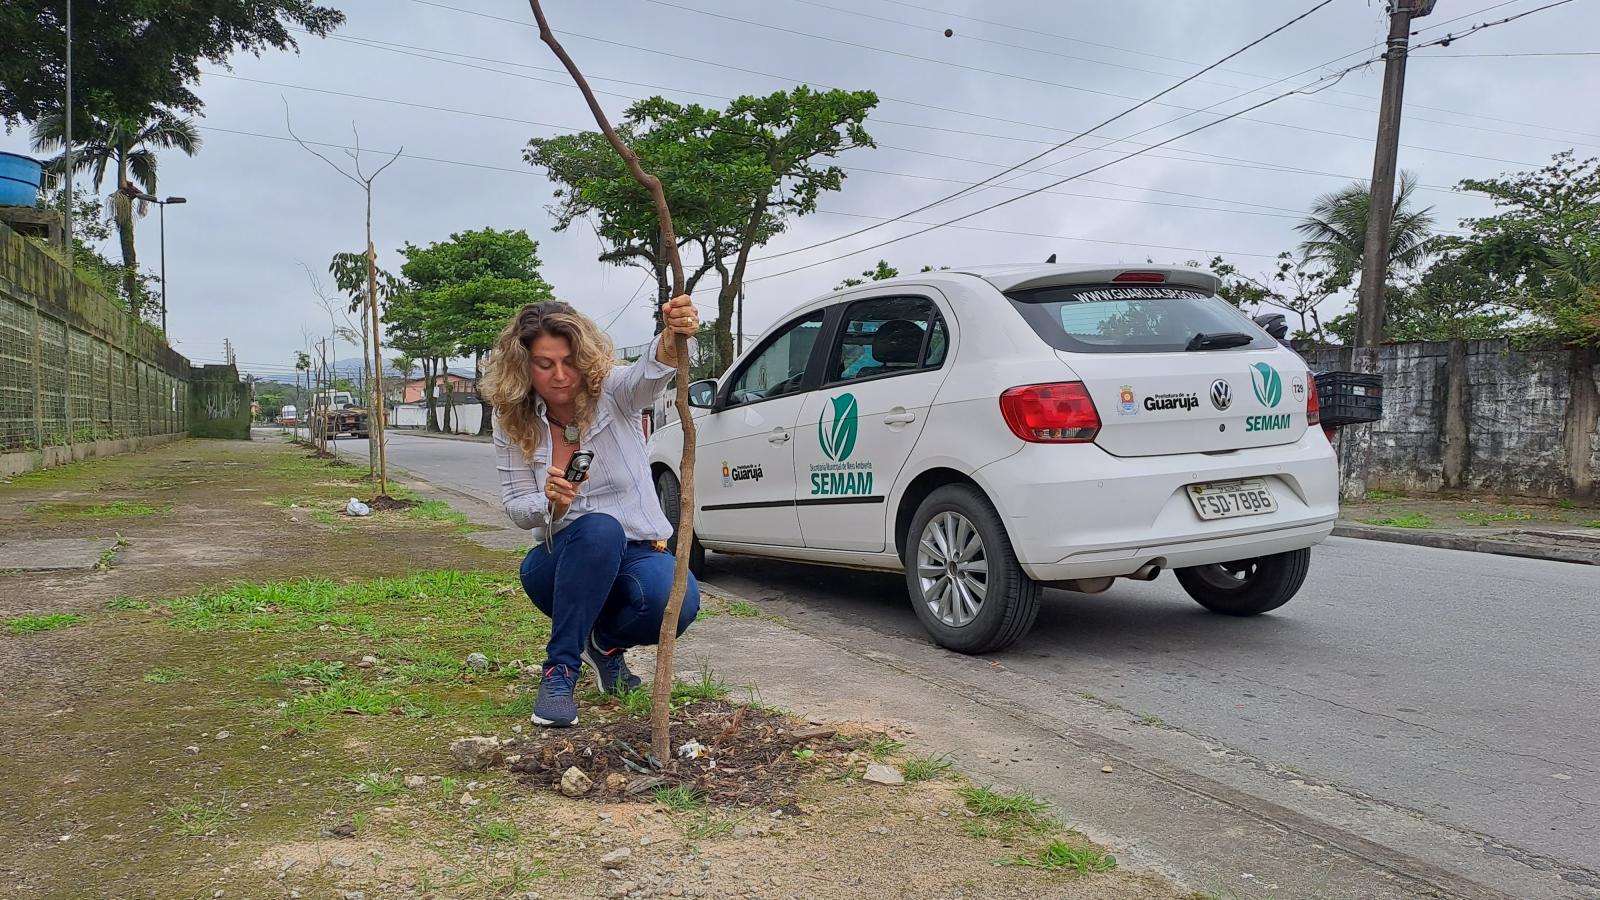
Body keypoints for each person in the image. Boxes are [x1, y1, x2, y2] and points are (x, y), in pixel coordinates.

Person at [480, 295, 703, 727]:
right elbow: (515, 505)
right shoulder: (511, 417)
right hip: (559, 561)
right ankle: (560, 671)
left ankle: (602, 644)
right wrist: (549, 504)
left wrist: (673, 335)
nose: (560, 375)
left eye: (568, 361)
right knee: (598, 529)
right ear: (523, 365)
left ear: (583, 357)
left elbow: (649, 375)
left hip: (637, 552)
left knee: (677, 601)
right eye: (545, 364)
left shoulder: (615, 392)